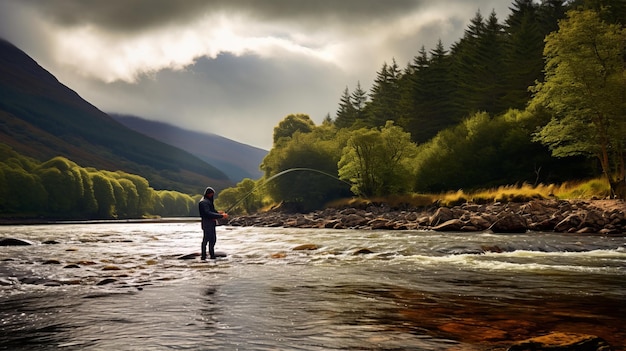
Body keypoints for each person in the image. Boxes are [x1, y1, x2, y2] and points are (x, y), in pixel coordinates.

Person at [198, 187, 228, 260]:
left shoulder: (207, 201)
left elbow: (212, 211)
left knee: (213, 240)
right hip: (207, 224)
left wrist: (218, 212)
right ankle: (204, 256)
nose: (212, 196)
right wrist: (221, 216)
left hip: (210, 224)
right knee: (206, 240)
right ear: (209, 194)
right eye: (212, 194)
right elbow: (208, 213)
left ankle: (211, 255)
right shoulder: (203, 202)